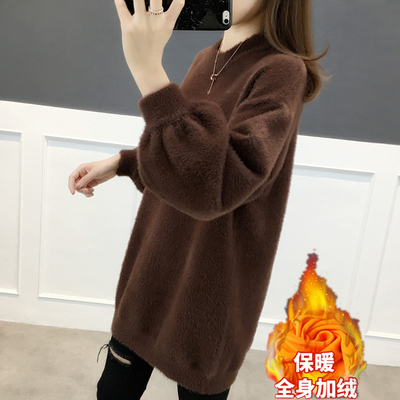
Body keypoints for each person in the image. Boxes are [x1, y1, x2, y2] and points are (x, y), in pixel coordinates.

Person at [68, 0, 330, 399]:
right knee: (113, 390)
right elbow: (189, 159)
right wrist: (124, 163)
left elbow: (219, 183)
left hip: (211, 288)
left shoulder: (281, 70)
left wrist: (148, 71)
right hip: (154, 266)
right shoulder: (206, 58)